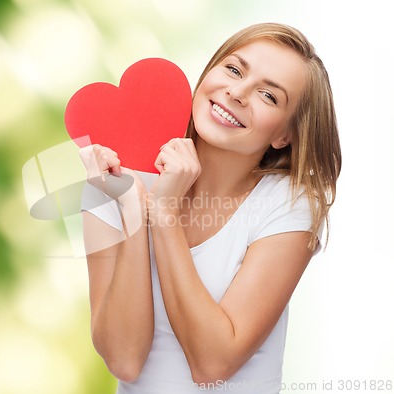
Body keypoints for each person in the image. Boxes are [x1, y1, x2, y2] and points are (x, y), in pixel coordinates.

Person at [79, 22, 341, 394]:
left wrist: (165, 212)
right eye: (234, 69)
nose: (237, 93)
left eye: (269, 96)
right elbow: (124, 360)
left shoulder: (288, 203)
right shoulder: (115, 178)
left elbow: (212, 364)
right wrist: (134, 210)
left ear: (285, 135)